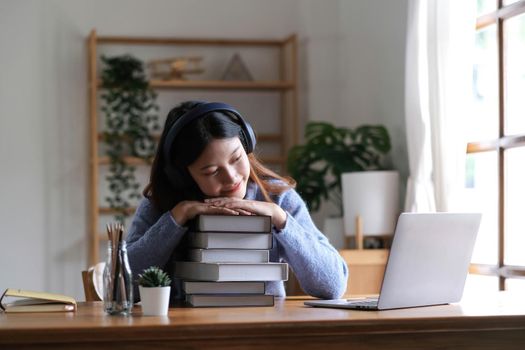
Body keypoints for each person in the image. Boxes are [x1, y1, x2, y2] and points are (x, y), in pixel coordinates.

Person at [126, 100, 348, 302]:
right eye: (212, 171)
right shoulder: (162, 205)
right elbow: (124, 288)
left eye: (236, 158)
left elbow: (333, 286)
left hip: (265, 331)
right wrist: (177, 217)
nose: (231, 177)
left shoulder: (278, 198)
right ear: (183, 176)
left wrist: (281, 219)